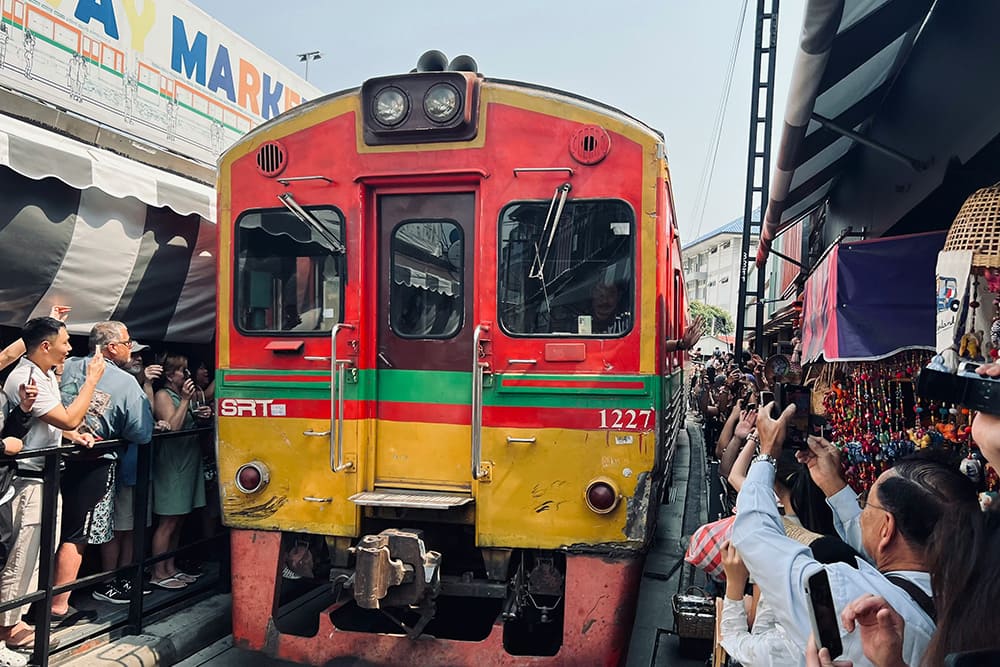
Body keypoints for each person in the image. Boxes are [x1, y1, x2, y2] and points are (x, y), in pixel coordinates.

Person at [731, 401, 979, 666]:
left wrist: (768, 452)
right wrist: (834, 486)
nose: (861, 513)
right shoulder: (968, 602)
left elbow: (754, 534)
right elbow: (876, 548)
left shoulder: (851, 598)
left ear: (886, 529)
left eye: (865, 504)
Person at [0, 317, 104, 651]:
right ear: (46, 346)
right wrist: (91, 381)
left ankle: (16, 623)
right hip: (28, 481)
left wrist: (75, 435)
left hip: (43, 476)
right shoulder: (25, 376)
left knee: (35, 555)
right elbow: (68, 415)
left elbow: (58, 422)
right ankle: (7, 629)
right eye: (65, 342)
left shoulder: (42, 374)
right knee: (22, 557)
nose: (69, 348)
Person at [149, 355, 208, 590]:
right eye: (182, 371)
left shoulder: (187, 395)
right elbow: (172, 426)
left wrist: (202, 415)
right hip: (172, 462)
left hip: (188, 460)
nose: (186, 375)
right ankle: (158, 572)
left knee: (180, 519)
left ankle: (170, 567)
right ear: (170, 375)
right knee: (168, 520)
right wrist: (185, 401)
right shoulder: (164, 395)